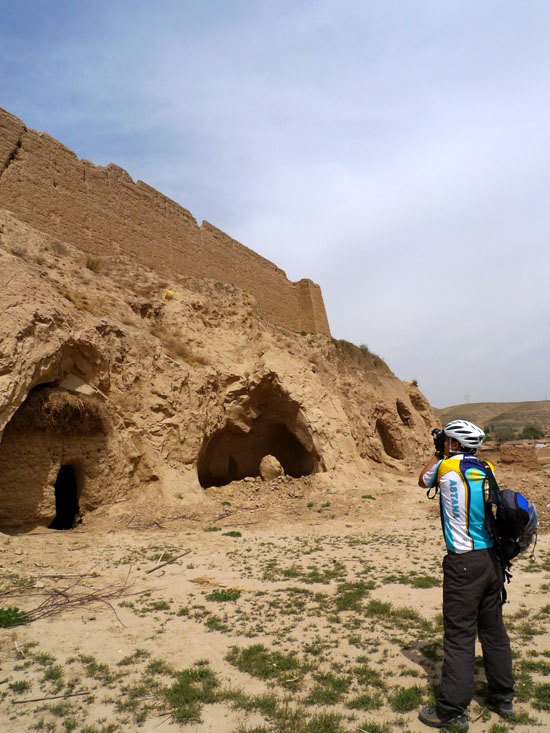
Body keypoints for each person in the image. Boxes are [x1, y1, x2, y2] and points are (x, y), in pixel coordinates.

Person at [417, 419, 515, 732]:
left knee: (459, 637)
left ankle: (451, 712)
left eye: (447, 440)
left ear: (454, 444)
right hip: (491, 561)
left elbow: (423, 480)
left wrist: (437, 451)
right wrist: (445, 446)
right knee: (493, 630)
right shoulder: (487, 468)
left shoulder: (445, 469)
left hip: (463, 564)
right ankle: (503, 697)